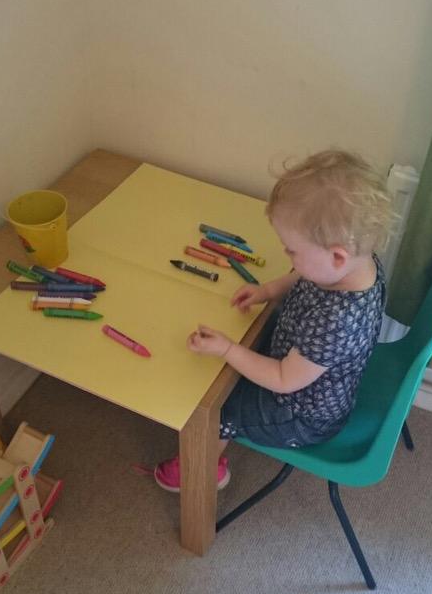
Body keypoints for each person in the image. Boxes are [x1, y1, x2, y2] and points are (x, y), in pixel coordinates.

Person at [154, 149, 392, 492]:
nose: (287, 255)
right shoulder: (355, 263)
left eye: (293, 250)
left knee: (215, 408)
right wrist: (267, 290)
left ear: (337, 256)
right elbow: (304, 276)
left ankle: (206, 469)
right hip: (297, 358)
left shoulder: (337, 319)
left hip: (301, 414)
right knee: (224, 373)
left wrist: (227, 349)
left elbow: (283, 379)